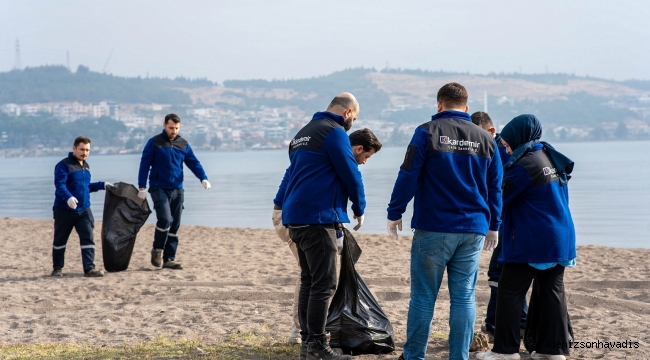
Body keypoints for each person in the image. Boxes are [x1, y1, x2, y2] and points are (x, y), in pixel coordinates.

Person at [387, 83, 503, 360]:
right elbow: (495, 186)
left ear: (439, 105)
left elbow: (408, 175)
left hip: (434, 227)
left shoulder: (426, 132)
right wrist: (494, 225)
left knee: (424, 296)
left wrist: (395, 212)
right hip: (474, 229)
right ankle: (459, 356)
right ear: (466, 106)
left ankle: (414, 355)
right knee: (463, 296)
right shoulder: (486, 139)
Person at [273, 93, 365, 360]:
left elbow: (294, 174)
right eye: (354, 119)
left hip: (295, 217)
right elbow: (350, 173)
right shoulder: (334, 132)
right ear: (347, 112)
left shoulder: (301, 134)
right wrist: (359, 208)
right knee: (325, 283)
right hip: (317, 217)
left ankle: (307, 343)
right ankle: (317, 345)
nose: (352, 124)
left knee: (309, 281)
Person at [477, 115, 575, 360]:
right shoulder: (549, 156)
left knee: (509, 292)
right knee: (552, 293)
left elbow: (498, 199)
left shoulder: (524, 166)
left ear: (519, 138)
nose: (507, 149)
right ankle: (551, 351)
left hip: (533, 241)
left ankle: (505, 351)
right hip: (560, 238)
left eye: (508, 144)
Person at [470, 111, 528, 341]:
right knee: (503, 271)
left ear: (491, 132)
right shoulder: (490, 148)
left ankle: (505, 322)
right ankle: (496, 321)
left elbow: (498, 190)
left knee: (503, 270)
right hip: (501, 219)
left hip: (506, 221)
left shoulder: (502, 151)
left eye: (479, 134)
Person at [138, 113, 211, 270]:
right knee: (165, 219)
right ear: (164, 125)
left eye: (177, 128)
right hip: (159, 187)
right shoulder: (154, 143)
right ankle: (157, 251)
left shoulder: (183, 144)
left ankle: (169, 258)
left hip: (178, 188)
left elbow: (193, 162)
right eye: (171, 128)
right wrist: (142, 187)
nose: (174, 131)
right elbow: (144, 165)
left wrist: (203, 178)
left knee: (175, 224)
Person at [52, 136, 111, 278]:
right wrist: (68, 198)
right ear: (74, 149)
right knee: (60, 239)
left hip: (84, 209)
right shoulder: (63, 165)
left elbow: (85, 187)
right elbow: (60, 185)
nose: (84, 153)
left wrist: (102, 185)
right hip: (64, 209)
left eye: (87, 150)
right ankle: (57, 268)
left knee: (88, 238)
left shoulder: (86, 166)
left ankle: (89, 269)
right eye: (82, 149)